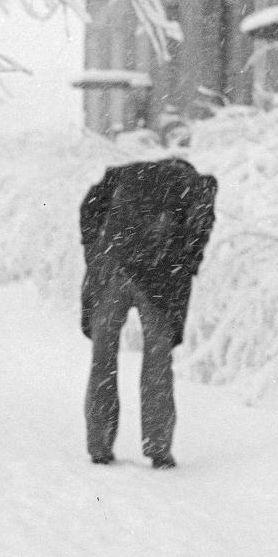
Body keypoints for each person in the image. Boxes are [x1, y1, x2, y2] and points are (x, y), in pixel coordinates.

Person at [79, 156, 218, 468]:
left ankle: (99, 447)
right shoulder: (199, 185)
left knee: (103, 357)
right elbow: (199, 230)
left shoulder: (122, 174)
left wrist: (96, 251)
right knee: (157, 360)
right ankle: (158, 449)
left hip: (110, 266)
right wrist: (186, 264)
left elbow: (89, 210)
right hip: (159, 275)